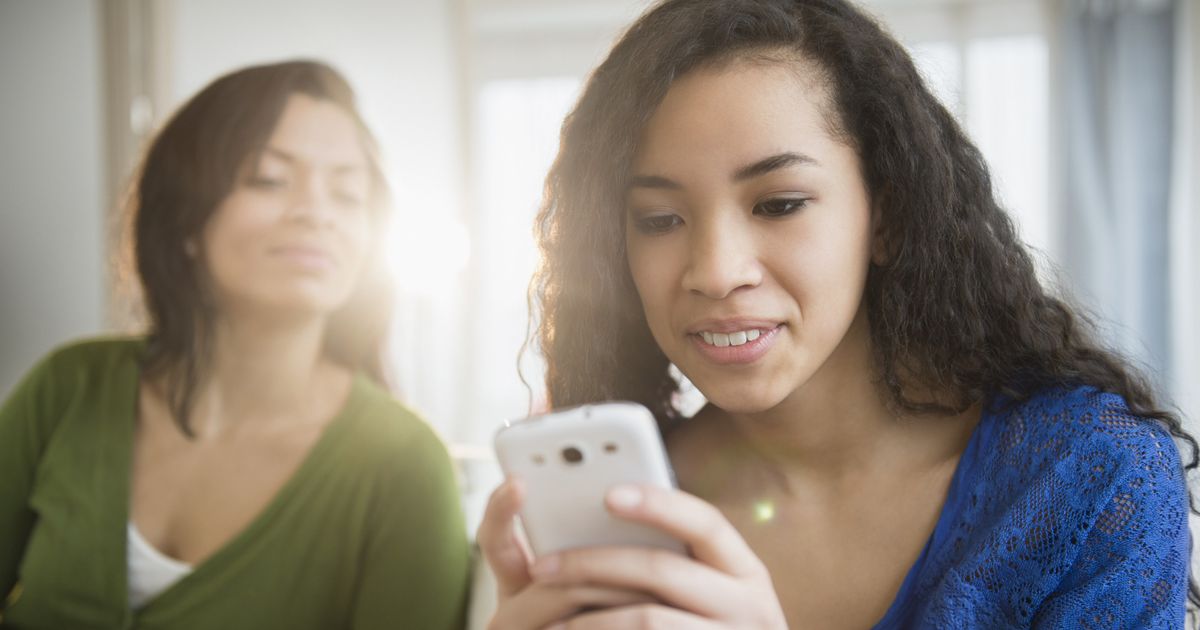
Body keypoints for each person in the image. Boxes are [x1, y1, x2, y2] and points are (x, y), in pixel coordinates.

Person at [476, 1, 1196, 628]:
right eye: (660, 219)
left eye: (779, 204)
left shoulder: (1087, 476)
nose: (717, 272)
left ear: (885, 214)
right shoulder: (621, 511)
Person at [0, 60, 469, 629]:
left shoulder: (405, 467)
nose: (315, 213)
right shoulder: (68, 387)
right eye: (269, 179)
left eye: (347, 194)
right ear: (186, 220)